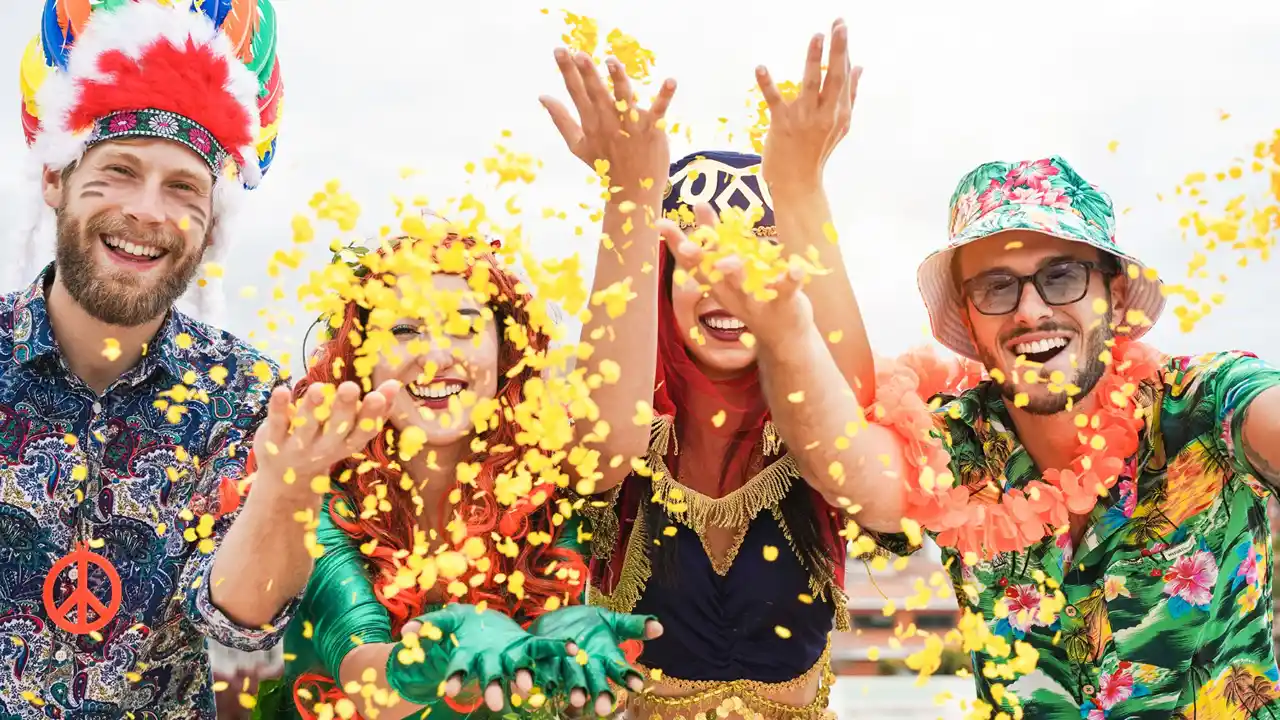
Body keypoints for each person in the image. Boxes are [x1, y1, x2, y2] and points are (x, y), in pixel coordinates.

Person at [0, 2, 398, 717]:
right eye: (118, 171)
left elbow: (237, 623)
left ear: (212, 218)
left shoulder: (250, 396)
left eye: (183, 186)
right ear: (55, 181)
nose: (149, 210)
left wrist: (285, 489)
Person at [539, 19, 894, 719]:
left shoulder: (818, 439)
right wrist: (629, 199)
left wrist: (801, 189)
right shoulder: (614, 419)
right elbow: (599, 457)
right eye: (696, 255)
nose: (725, 278)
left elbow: (854, 419)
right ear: (659, 281)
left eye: (754, 253)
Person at [847, 155, 1280, 718]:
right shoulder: (950, 443)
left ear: (1115, 297)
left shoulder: (1206, 402)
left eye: (1062, 277)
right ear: (969, 320)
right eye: (996, 287)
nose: (1031, 310)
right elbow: (843, 457)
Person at [251, 228, 661, 720]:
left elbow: (614, 438)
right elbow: (363, 675)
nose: (437, 357)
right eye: (404, 330)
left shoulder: (544, 484)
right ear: (361, 358)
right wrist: (436, 660)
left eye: (465, 329)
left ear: (506, 352)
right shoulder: (321, 483)